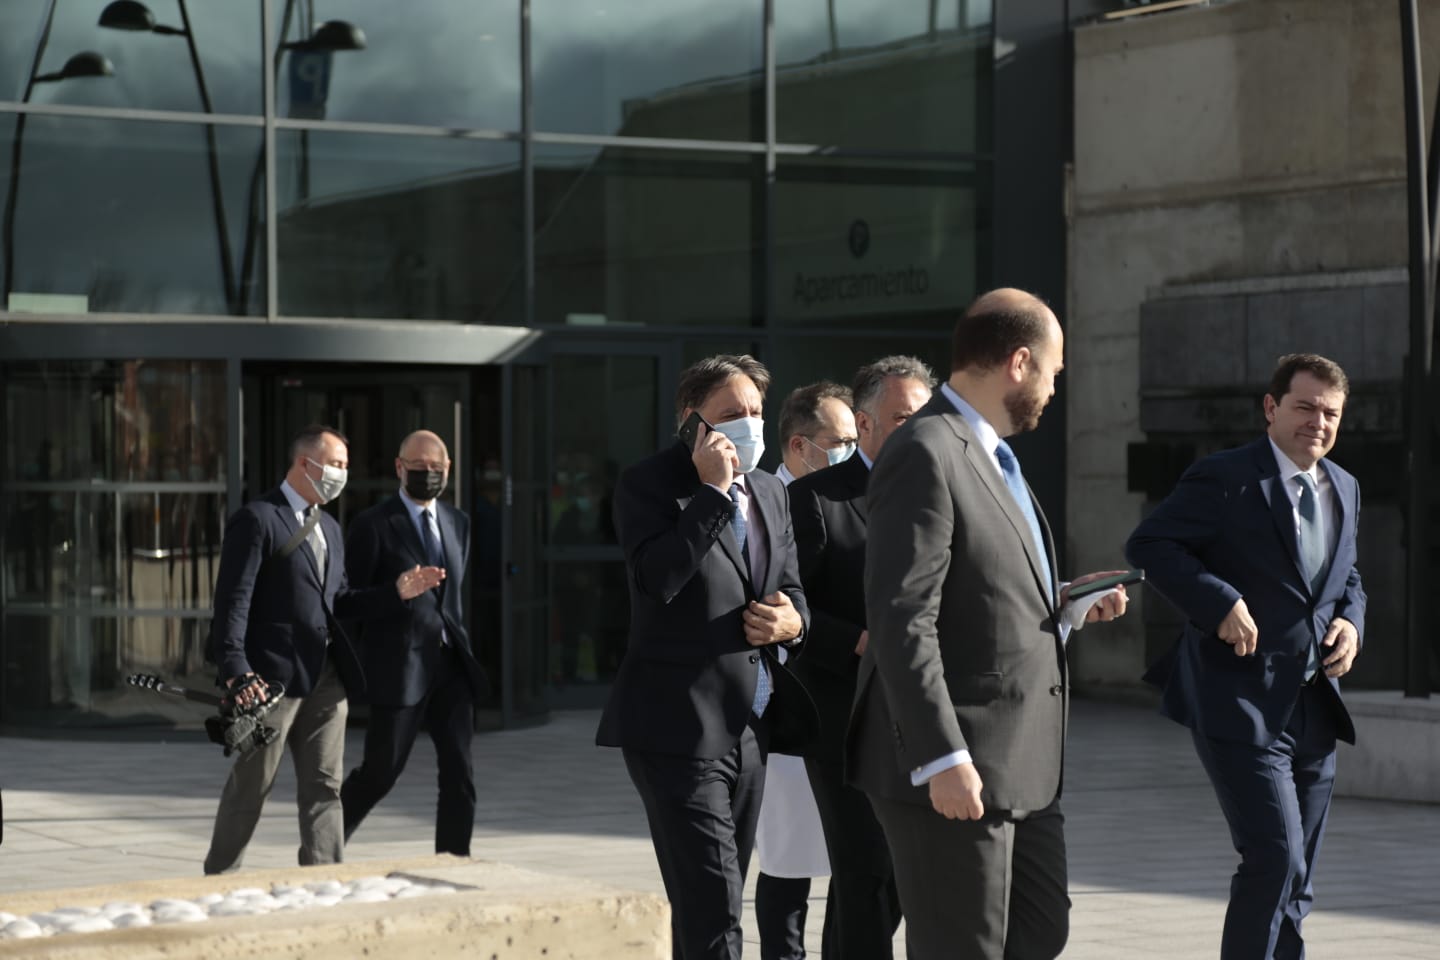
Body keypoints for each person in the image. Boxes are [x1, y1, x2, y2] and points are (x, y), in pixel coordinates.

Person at [849, 289, 1127, 960]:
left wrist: (1062, 606)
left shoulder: (994, 455)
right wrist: (941, 756)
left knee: (1039, 931)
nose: (1054, 389)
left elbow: (981, 591)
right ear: (1019, 363)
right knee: (963, 948)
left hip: (1021, 762)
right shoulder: (925, 449)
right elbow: (902, 617)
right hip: (957, 761)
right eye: (1053, 372)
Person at [1125, 353, 1365, 960]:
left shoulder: (1345, 486)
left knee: (1298, 876)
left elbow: (1347, 577)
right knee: (1274, 858)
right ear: (1271, 408)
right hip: (1239, 701)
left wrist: (1352, 623)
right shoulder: (1225, 477)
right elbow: (1150, 544)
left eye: (1330, 413)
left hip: (1315, 706)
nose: (1318, 422)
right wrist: (1219, 602)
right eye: (1305, 407)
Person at [597, 354, 819, 960]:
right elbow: (657, 579)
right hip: (678, 728)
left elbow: (793, 587)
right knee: (717, 909)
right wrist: (713, 492)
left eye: (755, 411)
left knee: (710, 904)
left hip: (752, 724)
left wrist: (794, 623)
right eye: (731, 413)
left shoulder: (771, 490)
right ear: (692, 420)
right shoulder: (648, 484)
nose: (748, 423)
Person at [203, 425, 443, 875]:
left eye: (345, 466)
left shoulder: (330, 527)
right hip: (269, 681)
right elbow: (233, 602)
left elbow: (340, 602)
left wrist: (396, 591)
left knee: (325, 787)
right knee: (252, 785)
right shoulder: (258, 519)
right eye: (335, 464)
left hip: (326, 677)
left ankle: (325, 878)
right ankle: (219, 876)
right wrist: (236, 669)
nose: (341, 475)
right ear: (304, 463)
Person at [786, 355, 935, 960]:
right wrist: (856, 640)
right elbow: (789, 606)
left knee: (898, 875)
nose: (918, 430)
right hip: (843, 715)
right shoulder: (815, 499)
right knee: (865, 868)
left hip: (922, 715)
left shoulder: (941, 491)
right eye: (903, 417)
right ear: (865, 422)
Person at [341, 429, 489, 857]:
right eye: (419, 466)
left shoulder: (458, 523)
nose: (428, 473)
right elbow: (345, 602)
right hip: (400, 668)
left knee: (460, 772)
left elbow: (452, 599)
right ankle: (323, 845)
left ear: (449, 469)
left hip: (451, 665)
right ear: (399, 468)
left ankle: (453, 861)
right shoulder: (373, 524)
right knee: (381, 771)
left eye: (436, 467)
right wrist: (395, 592)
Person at [754, 380, 857, 960]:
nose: (851, 450)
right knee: (788, 860)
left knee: (855, 858)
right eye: (840, 441)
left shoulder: (852, 496)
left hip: (851, 708)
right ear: (799, 445)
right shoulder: (766, 501)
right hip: (791, 704)